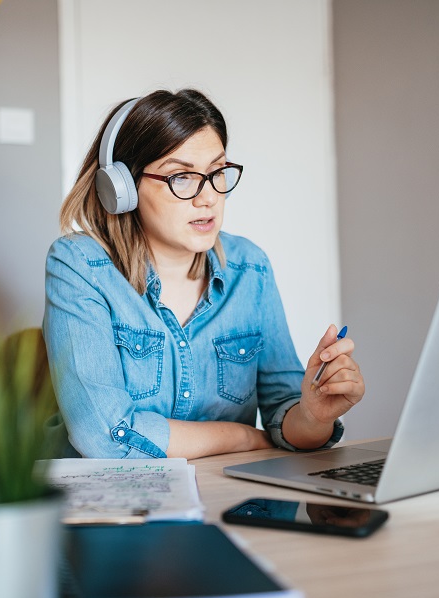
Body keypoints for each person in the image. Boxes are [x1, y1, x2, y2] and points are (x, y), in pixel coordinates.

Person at [43, 89, 365, 459]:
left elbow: (286, 416)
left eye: (217, 172)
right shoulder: (80, 265)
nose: (208, 197)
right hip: (117, 507)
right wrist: (243, 438)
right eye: (181, 177)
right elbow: (107, 436)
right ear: (122, 188)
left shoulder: (250, 267)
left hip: (222, 497)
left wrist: (312, 414)